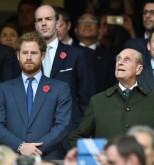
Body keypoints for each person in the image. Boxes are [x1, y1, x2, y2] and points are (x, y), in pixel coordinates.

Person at [69, 48, 154, 146]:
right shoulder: (97, 101)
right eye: (118, 59)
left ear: (138, 69)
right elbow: (77, 138)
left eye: (127, 60)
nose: (120, 62)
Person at [0, 31, 72, 159]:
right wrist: (20, 146)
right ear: (17, 55)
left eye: (33, 53)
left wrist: (34, 150)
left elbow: (63, 125)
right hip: (11, 157)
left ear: (43, 55)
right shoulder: (3, 89)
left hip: (48, 157)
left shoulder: (60, 88)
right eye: (24, 53)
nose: (28, 57)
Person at [34, 4, 95, 152]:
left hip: (69, 134)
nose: (44, 23)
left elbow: (87, 98)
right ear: (35, 25)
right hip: (34, 136)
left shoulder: (76, 55)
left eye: (48, 19)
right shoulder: (27, 56)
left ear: (58, 23)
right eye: (39, 20)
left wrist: (80, 130)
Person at [74, 12, 116, 93]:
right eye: (82, 21)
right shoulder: (66, 53)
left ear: (100, 31)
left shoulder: (109, 57)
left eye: (92, 21)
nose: (87, 25)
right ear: (75, 30)